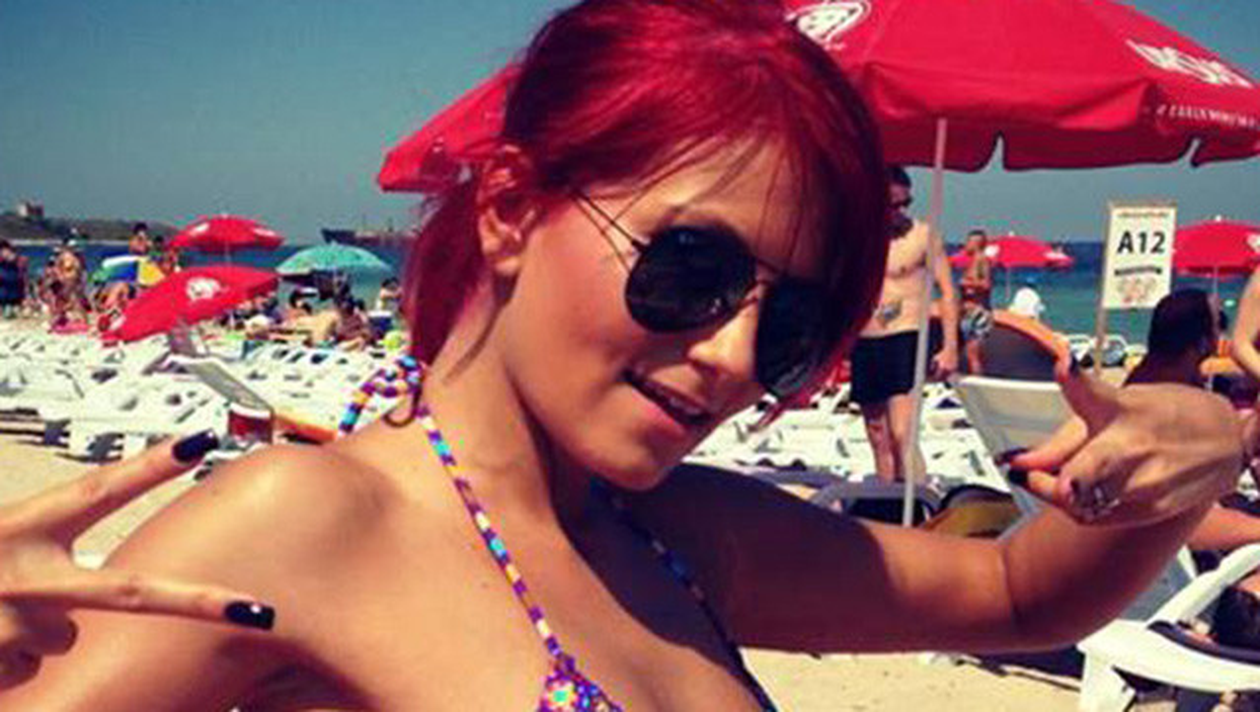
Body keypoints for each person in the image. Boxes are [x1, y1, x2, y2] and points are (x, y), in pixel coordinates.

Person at [0, 1, 1247, 708]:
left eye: (794, 322)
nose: (735, 357)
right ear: (508, 209)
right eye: (690, 271)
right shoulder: (308, 520)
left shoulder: (680, 532)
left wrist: (1194, 432)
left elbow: (1022, 595)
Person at [849, 165, 960, 483]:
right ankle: (889, 503)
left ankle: (915, 502)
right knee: (877, 434)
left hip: (905, 336)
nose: (900, 212)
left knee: (902, 433)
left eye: (905, 204)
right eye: (892, 205)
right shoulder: (860, 241)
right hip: (865, 340)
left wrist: (950, 347)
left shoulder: (923, 235)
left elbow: (948, 293)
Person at [957, 228, 993, 373]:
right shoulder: (973, 262)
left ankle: (977, 381)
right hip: (969, 313)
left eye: (968, 242)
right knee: (966, 352)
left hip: (978, 312)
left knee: (972, 353)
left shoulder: (982, 260)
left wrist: (967, 283)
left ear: (976, 244)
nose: (965, 245)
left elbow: (986, 284)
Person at [0, 240, 24, 319]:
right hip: (4, 286)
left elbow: (17, 259)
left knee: (10, 305)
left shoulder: (15, 258)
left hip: (11, 287)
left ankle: (10, 309)